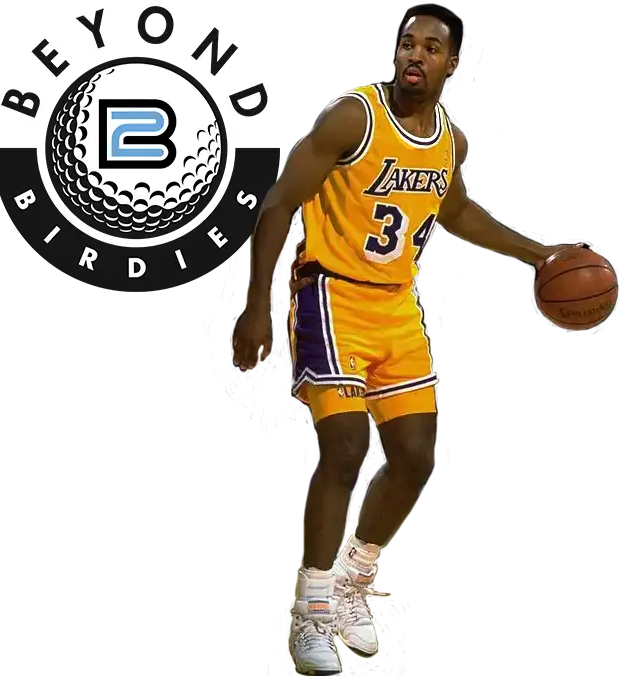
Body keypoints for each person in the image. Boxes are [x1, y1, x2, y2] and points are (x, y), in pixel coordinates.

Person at [231, 7, 578, 674]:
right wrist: (255, 309)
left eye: (431, 48)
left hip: (395, 304)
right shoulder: (355, 118)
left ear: (452, 65)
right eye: (407, 44)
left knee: (416, 456)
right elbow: (278, 203)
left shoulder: (448, 140)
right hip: (332, 294)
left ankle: (352, 578)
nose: (414, 55)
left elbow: (455, 211)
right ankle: (313, 612)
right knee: (345, 448)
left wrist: (540, 255)